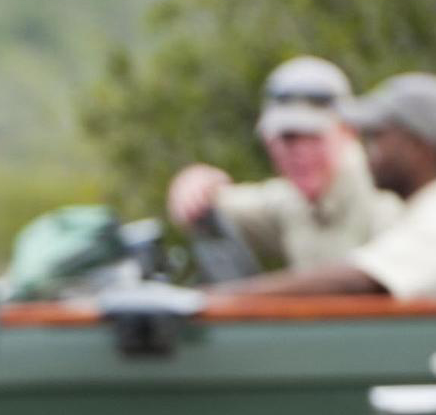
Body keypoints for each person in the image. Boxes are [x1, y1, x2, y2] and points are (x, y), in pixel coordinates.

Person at [210, 72, 436, 301]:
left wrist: (220, 301)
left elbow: (358, 281)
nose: (366, 150)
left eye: (377, 136)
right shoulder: (419, 212)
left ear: (418, 148)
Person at [165, 56, 402, 273]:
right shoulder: (291, 201)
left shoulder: (386, 199)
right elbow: (207, 203)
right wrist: (195, 182)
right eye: (287, 138)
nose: (299, 152)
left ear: (348, 132)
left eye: (313, 136)